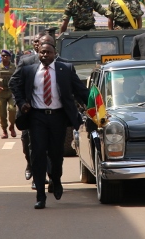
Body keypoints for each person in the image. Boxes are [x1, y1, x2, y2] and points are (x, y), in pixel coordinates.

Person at [12, 42, 89, 209]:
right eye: (42, 52)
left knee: (56, 155)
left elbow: (80, 90)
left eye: (48, 52)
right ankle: (40, 195)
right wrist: (22, 102)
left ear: (55, 54)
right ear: (38, 53)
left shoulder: (65, 69)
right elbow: (16, 87)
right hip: (37, 117)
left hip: (58, 118)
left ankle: (56, 179)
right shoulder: (29, 71)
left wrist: (95, 104)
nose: (45, 55)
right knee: (38, 154)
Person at [8, 31, 51, 185]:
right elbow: (14, 83)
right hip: (28, 111)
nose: (36, 43)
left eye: (38, 41)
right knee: (28, 143)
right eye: (34, 41)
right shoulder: (26, 61)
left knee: (45, 145)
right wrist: (20, 103)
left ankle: (42, 177)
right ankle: (30, 165)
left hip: (47, 112)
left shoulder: (53, 60)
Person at [0, 49, 17, 139]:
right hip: (1, 93)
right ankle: (4, 130)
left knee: (12, 109)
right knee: (2, 114)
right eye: (3, 56)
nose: (4, 57)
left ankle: (12, 126)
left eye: (6, 56)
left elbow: (18, 78)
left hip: (11, 92)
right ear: (0, 57)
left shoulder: (14, 67)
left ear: (10, 57)